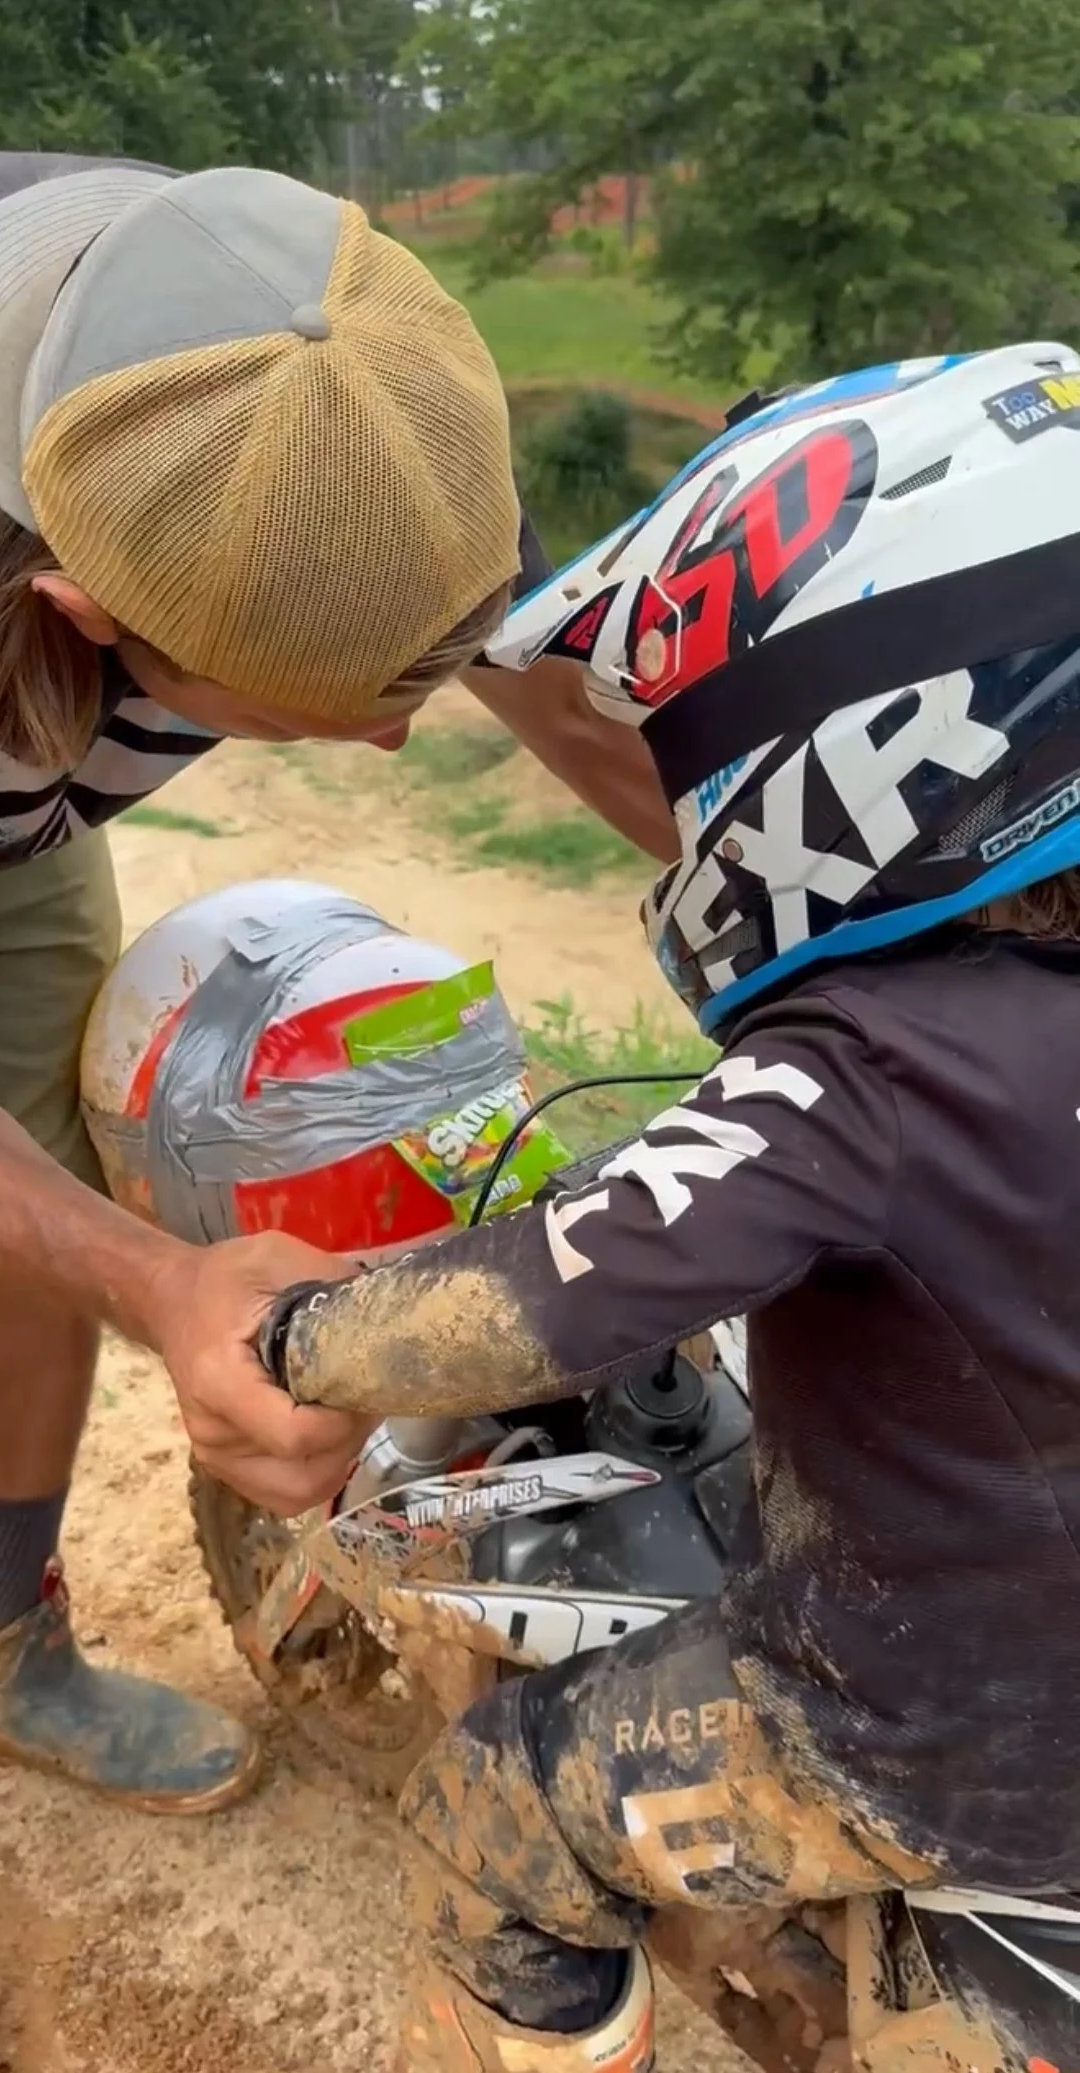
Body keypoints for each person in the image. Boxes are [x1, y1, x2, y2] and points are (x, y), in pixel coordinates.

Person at [0, 150, 676, 2072]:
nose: (408, 731)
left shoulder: (305, 403)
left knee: (37, 1186)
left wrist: (831, 973)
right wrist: (157, 1287)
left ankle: (0, 1654)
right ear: (85, 610)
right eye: (333, 701)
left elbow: (546, 686)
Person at [254, 343, 1080, 2070]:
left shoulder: (868, 1064)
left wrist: (292, 1333)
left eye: (706, 738)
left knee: (498, 1814)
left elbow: (545, 1301)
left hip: (950, 1748)